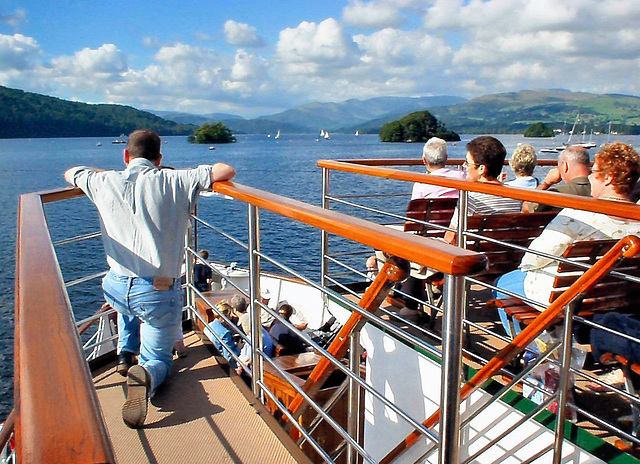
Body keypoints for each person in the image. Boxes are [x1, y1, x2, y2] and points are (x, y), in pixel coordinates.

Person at [64, 129, 235, 428]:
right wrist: (186, 174)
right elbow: (226, 170)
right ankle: (148, 373)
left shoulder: (104, 181)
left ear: (125, 156)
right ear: (159, 159)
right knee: (160, 358)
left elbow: (71, 172)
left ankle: (124, 354)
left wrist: (106, 174)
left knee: (127, 306)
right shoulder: (175, 180)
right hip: (156, 293)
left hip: (115, 285)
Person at [495, 142, 640, 337]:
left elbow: (535, 257)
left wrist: (526, 265)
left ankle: (529, 352)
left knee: (501, 284)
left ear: (609, 178)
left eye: (593, 171)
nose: (588, 176)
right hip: (618, 296)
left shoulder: (580, 214)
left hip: (566, 295)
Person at [444, 136, 523, 244]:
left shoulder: (470, 198)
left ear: (481, 169)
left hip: (472, 256)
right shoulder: (516, 197)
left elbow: (450, 238)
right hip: (504, 257)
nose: (464, 165)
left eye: (467, 162)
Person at [524, 146, 591, 213]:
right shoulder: (599, 190)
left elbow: (527, 208)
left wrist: (546, 183)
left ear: (565, 166)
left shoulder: (557, 193)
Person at [205, 302, 241, 369]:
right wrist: (239, 347)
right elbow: (228, 357)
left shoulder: (212, 324)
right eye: (230, 316)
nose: (231, 319)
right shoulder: (225, 333)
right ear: (225, 317)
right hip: (227, 366)